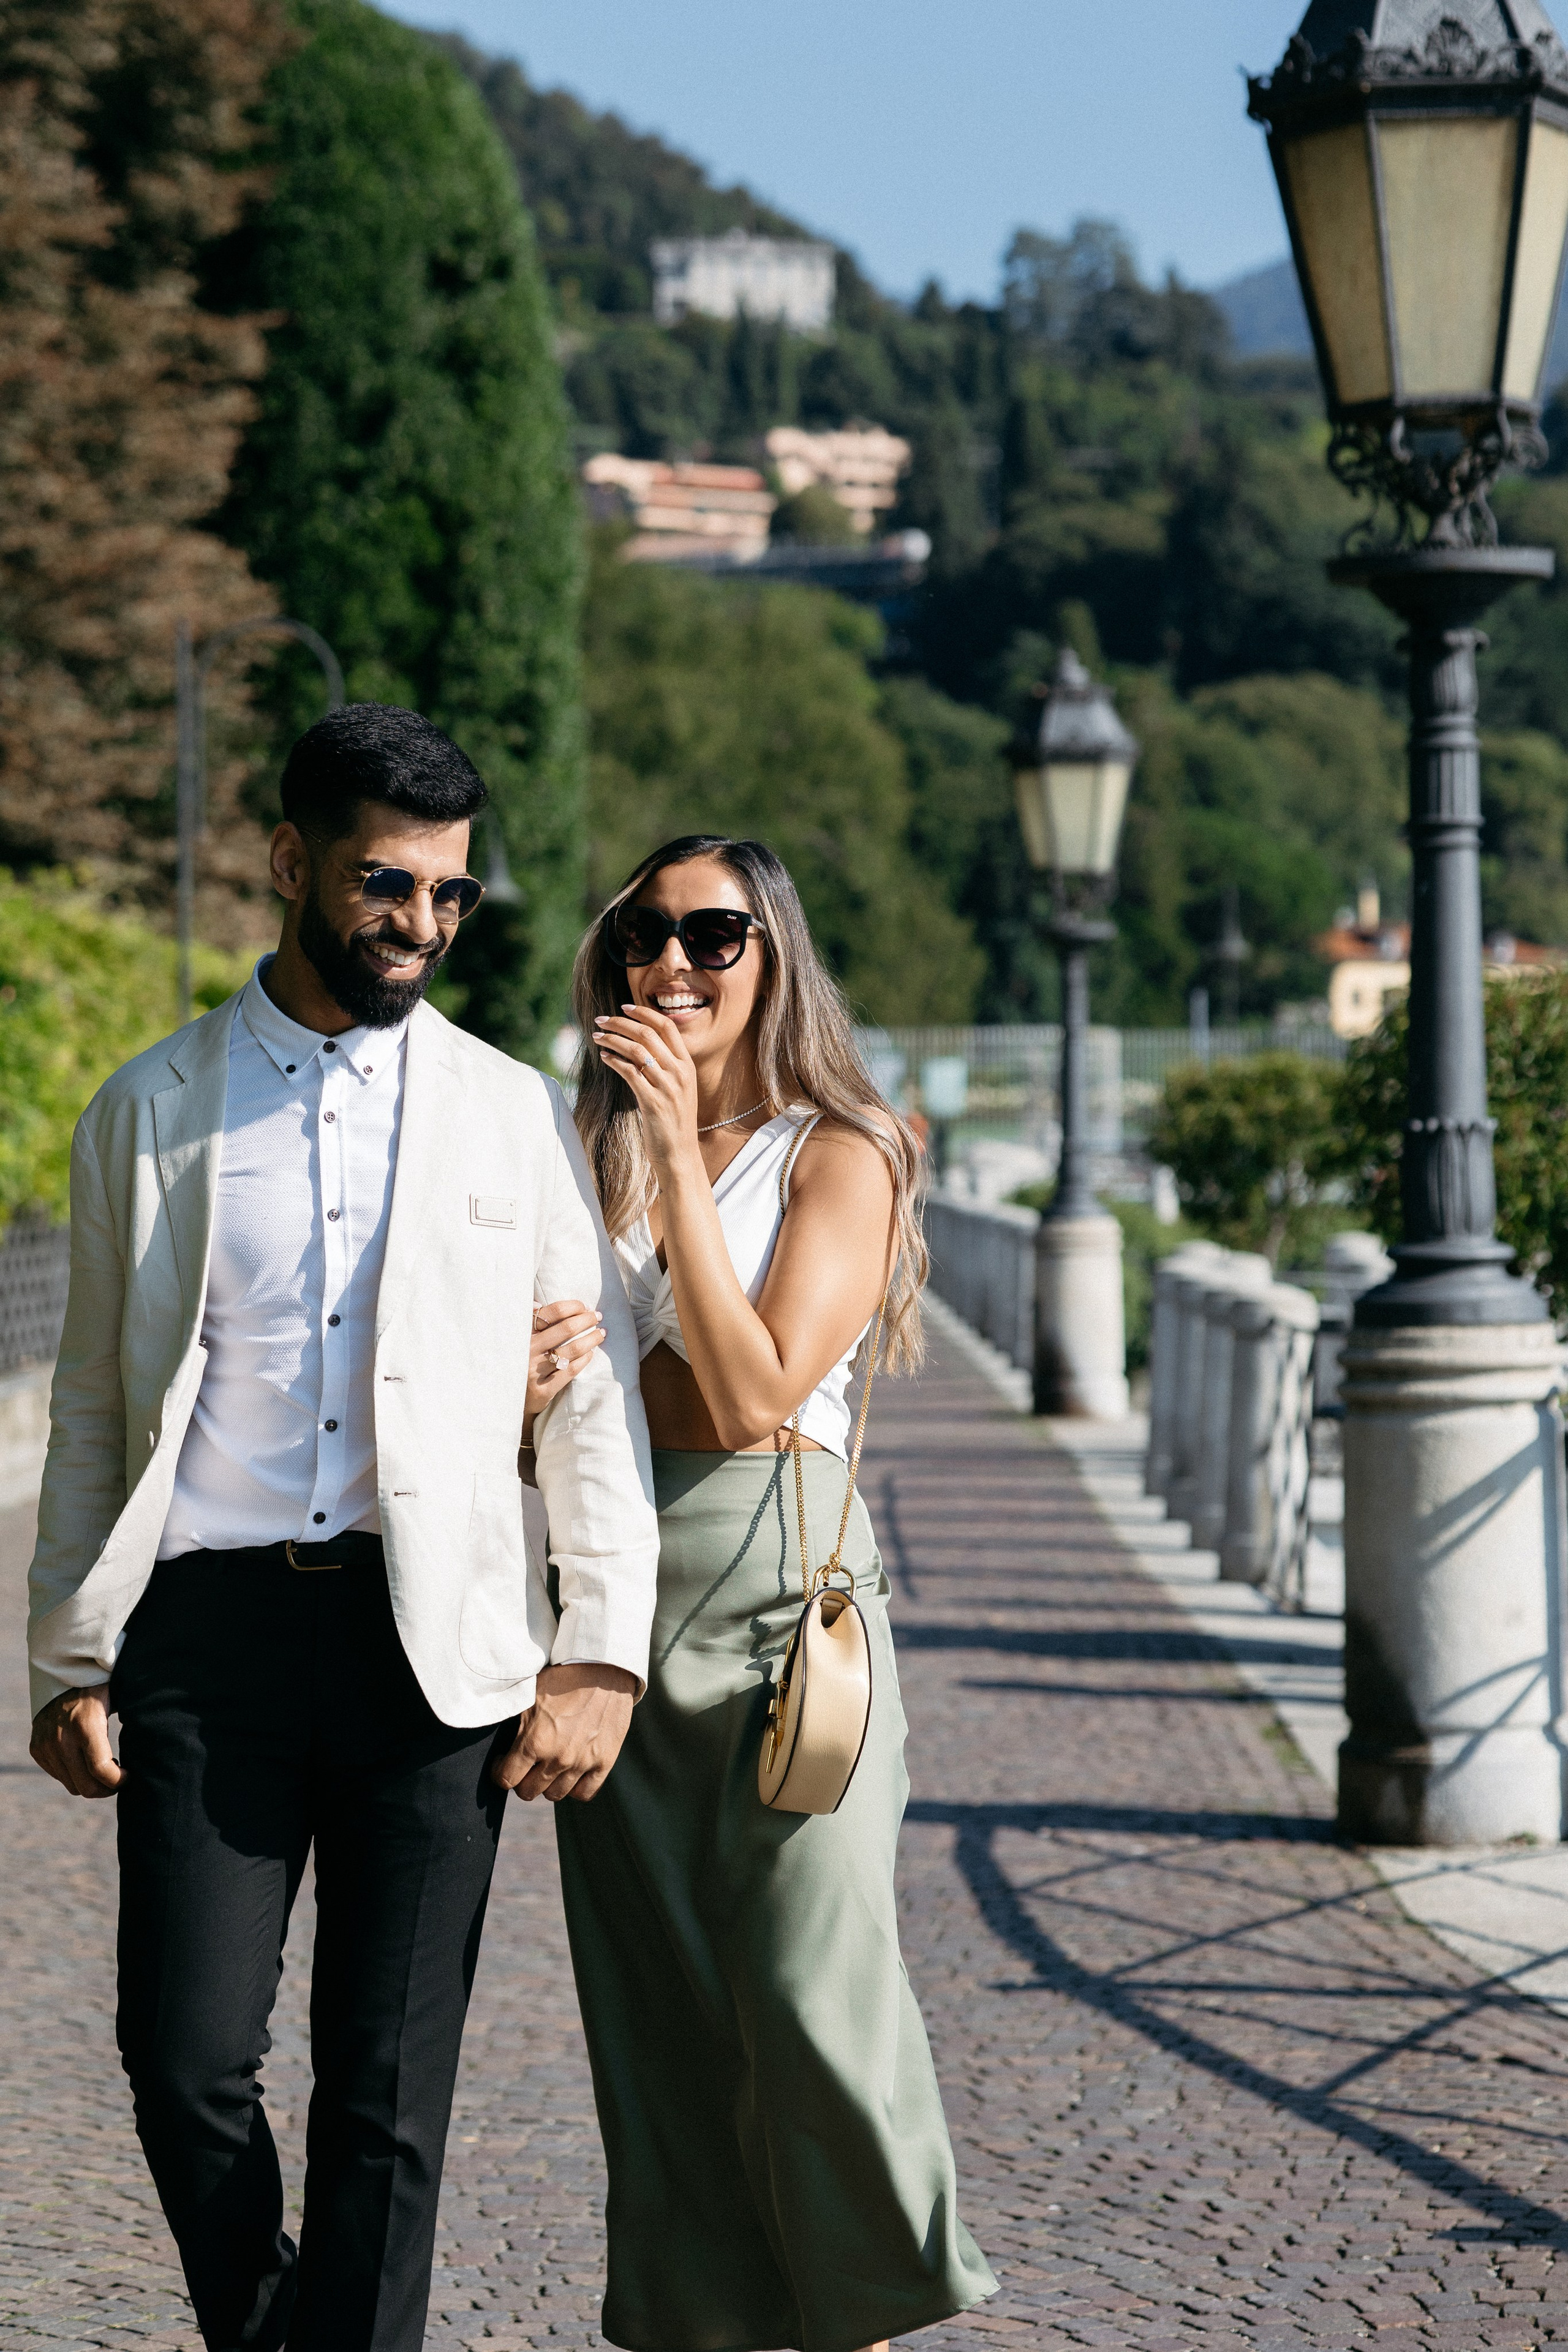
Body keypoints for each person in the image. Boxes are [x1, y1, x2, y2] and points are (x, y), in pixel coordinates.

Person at [26, 704, 658, 2352]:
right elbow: (97, 1406)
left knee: (388, 2099)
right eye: (389, 886)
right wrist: (67, 1656)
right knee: (182, 2059)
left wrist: (599, 1644)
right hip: (206, 1643)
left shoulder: (508, 1114)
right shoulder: (146, 1111)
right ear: (294, 861)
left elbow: (581, 1393)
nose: (423, 928)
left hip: (429, 1644)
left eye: (452, 897)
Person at [534, 832, 997, 2352]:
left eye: (711, 935)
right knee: (661, 2017)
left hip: (779, 1603)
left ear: (772, 954)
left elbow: (746, 1396)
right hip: (609, 1592)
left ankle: (859, 2312)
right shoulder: (571, 1147)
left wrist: (672, 1157)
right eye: (641, 938)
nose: (671, 965)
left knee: (810, 1995)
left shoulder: (839, 1150)